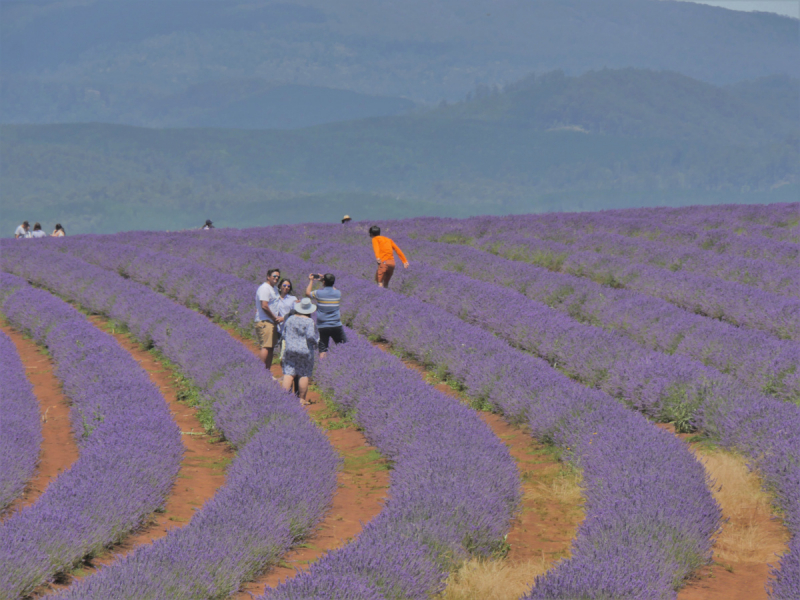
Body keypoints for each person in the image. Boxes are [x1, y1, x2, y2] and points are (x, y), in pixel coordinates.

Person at [280, 297, 319, 405]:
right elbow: (310, 336)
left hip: (290, 349)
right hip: (304, 350)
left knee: (288, 373)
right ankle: (301, 399)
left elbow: (284, 334)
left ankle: (284, 398)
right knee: (304, 374)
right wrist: (316, 343)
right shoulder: (309, 321)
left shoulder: (290, 319)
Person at [306, 272, 346, 358]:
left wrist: (311, 281)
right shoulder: (338, 293)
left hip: (322, 326)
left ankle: (322, 368)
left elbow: (307, 293)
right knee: (344, 346)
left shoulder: (319, 293)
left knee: (323, 349)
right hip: (336, 325)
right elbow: (333, 288)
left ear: (324, 282)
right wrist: (324, 281)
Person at [254, 268, 283, 374]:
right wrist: (274, 318)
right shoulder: (265, 288)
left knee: (270, 348)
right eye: (274, 276)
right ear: (268, 276)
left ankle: (266, 373)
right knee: (266, 347)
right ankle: (261, 373)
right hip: (265, 321)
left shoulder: (274, 288)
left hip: (270, 322)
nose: (276, 278)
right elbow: (264, 306)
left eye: (278, 277)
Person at [274, 278, 298, 356]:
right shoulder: (275, 299)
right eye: (284, 285)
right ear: (280, 286)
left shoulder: (293, 299)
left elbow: (296, 312)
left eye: (288, 286)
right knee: (282, 350)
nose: (286, 287)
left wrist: (283, 318)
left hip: (289, 328)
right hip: (278, 329)